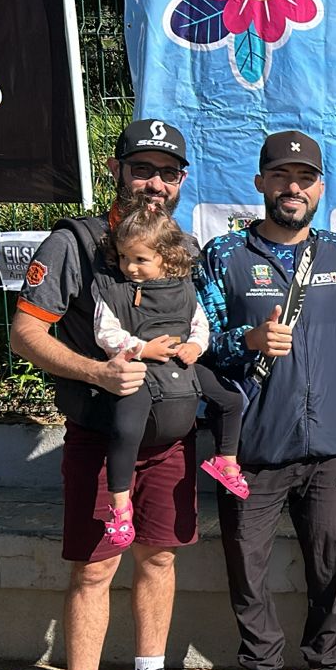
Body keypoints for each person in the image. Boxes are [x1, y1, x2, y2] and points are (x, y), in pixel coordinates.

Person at [10, 119, 205, 670]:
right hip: (102, 434)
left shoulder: (182, 247)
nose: (154, 183)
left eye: (167, 172)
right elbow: (25, 334)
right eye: (142, 168)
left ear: (181, 183)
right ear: (118, 169)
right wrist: (95, 370)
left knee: (160, 559)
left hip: (169, 436)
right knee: (96, 566)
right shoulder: (77, 241)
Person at [196, 131, 336, 670]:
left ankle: (326, 662)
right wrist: (242, 340)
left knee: (334, 557)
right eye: (280, 176)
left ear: (320, 188)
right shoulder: (223, 255)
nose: (292, 188)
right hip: (250, 448)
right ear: (260, 183)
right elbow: (199, 344)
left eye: (304, 178)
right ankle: (260, 668)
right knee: (246, 559)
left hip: (329, 446)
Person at [93, 208, 249, 550]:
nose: (129, 267)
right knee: (126, 427)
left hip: (181, 365)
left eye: (140, 259)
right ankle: (119, 506)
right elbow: (104, 332)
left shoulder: (184, 288)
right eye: (123, 258)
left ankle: (225, 460)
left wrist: (195, 346)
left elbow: (200, 323)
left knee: (231, 400)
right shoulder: (113, 290)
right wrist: (139, 348)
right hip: (140, 370)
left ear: (165, 257)